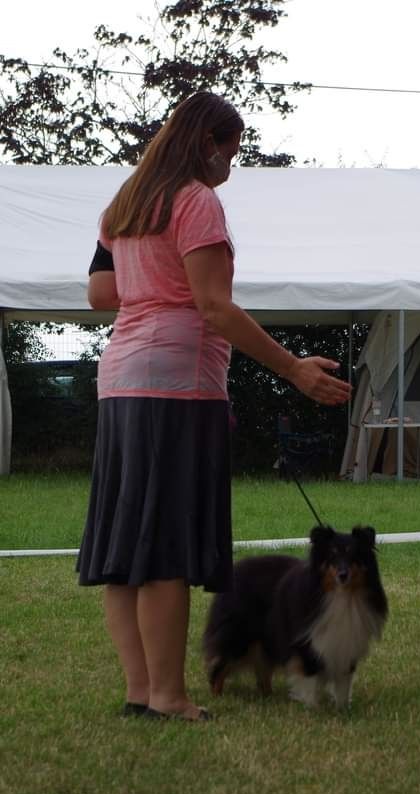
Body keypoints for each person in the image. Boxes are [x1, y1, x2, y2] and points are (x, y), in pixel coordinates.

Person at [77, 91, 351, 721]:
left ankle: (141, 692)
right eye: (232, 149)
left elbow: (99, 292)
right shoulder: (197, 201)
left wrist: (147, 283)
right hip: (177, 385)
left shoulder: (127, 202)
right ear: (207, 144)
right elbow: (214, 306)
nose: (234, 162)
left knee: (125, 552)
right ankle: (171, 698)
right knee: (166, 545)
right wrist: (293, 369)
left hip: (120, 379)